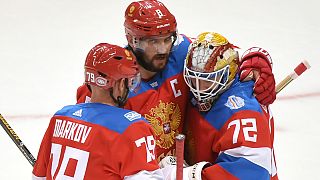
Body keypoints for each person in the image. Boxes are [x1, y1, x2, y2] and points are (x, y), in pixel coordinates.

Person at [76, 0, 276, 161]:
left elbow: (220, 57)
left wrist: (255, 60)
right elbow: (92, 150)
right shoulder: (113, 83)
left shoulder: (180, 52)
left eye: (166, 39)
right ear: (131, 39)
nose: (163, 49)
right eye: (153, 41)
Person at [32, 43, 166, 179]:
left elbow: (38, 177)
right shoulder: (132, 128)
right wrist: (172, 173)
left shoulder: (60, 118)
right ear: (120, 84)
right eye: (130, 82)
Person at [181, 32, 278, 179]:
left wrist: (189, 175)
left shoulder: (244, 114)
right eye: (194, 79)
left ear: (228, 74)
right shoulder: (205, 91)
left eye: (208, 80)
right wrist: (256, 56)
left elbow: (248, 173)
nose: (199, 88)